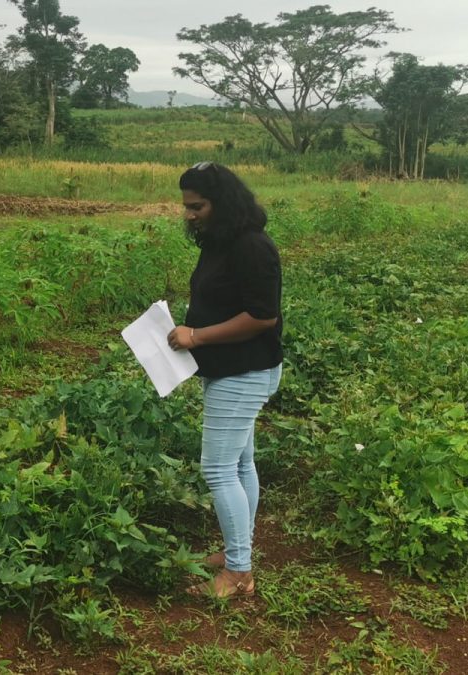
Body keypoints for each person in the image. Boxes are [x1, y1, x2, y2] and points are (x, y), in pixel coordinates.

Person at [166, 161, 283, 599]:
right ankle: (239, 549)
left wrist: (196, 335)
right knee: (238, 463)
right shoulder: (221, 241)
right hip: (230, 367)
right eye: (187, 207)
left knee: (218, 468)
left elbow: (262, 316)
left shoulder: (252, 247)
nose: (189, 215)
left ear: (222, 203)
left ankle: (239, 574)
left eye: (197, 206)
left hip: (245, 370)